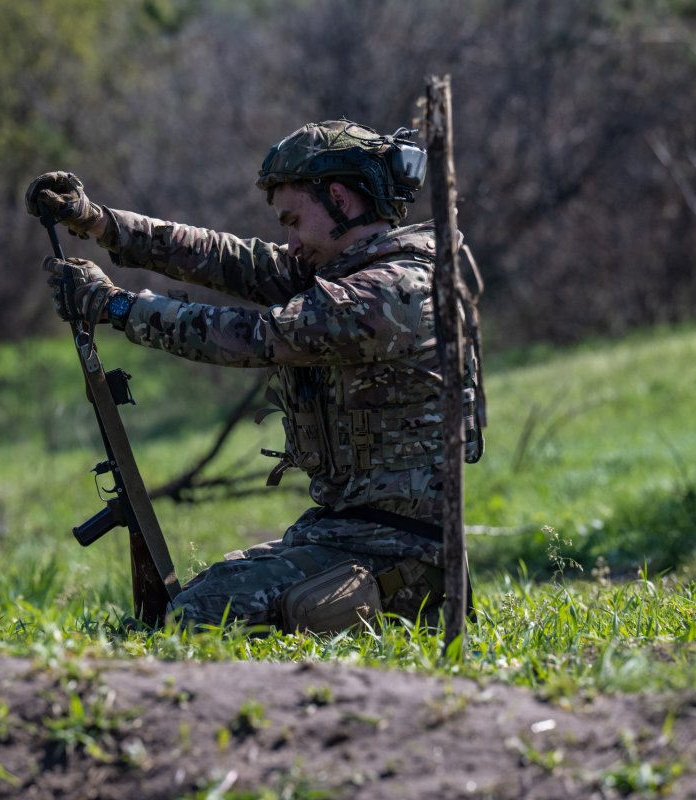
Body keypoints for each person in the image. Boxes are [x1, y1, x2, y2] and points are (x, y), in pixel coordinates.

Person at [25, 119, 479, 632]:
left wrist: (117, 306)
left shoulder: (393, 291)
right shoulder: (336, 270)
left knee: (194, 618)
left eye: (293, 221)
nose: (289, 242)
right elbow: (226, 259)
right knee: (181, 610)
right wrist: (100, 222)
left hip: (404, 555)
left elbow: (257, 336)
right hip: (342, 537)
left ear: (339, 199)